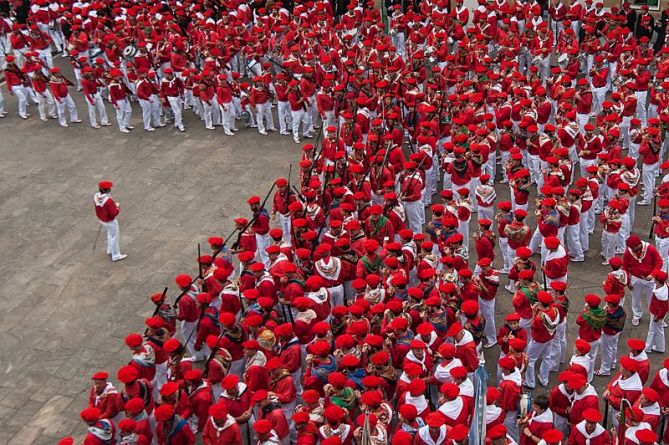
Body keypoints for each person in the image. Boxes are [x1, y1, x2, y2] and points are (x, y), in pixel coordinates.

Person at [93, 180, 126, 262]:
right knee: (114, 236)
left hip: (102, 219)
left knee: (110, 234)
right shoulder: (108, 200)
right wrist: (117, 207)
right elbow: (114, 213)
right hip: (110, 221)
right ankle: (116, 255)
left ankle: (110, 249)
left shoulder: (96, 196)